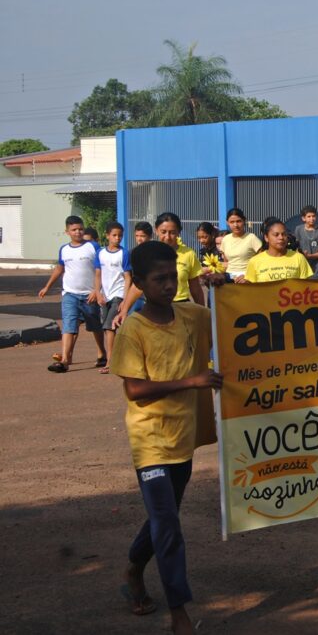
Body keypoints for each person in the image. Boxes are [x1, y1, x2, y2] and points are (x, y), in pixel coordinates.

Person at [109, 240, 222, 635]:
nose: (169, 284)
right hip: (150, 440)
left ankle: (133, 568)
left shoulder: (191, 316)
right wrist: (193, 381)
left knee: (165, 516)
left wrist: (223, 287)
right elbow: (135, 389)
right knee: (168, 525)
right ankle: (179, 613)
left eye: (173, 276)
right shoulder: (133, 330)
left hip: (182, 437)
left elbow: (231, 318)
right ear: (139, 283)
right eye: (159, 279)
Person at [39, 215, 104, 372]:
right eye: (74, 229)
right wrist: (47, 287)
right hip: (70, 294)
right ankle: (65, 360)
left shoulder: (93, 247)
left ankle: (102, 353)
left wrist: (96, 290)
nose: (78, 232)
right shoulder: (64, 249)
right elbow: (60, 269)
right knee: (68, 325)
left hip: (89, 295)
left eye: (80, 229)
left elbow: (101, 269)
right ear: (67, 232)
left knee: (95, 326)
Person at [94, 221, 131, 374]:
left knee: (110, 327)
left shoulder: (124, 253)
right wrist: (97, 293)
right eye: (114, 235)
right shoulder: (100, 253)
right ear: (107, 235)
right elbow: (98, 274)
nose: (117, 238)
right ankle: (117, 357)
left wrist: (125, 298)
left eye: (120, 235)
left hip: (118, 294)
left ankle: (110, 362)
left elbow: (127, 277)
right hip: (105, 296)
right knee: (106, 328)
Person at [240, 217, 314, 283]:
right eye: (276, 235)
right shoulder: (254, 262)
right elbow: (251, 289)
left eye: (284, 234)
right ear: (266, 238)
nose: (281, 237)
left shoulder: (299, 258)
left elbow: (306, 286)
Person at [219, 208, 262, 283]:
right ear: (227, 223)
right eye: (232, 222)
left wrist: (249, 276)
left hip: (246, 279)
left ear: (244, 221)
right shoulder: (225, 239)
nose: (235, 225)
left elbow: (262, 261)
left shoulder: (252, 238)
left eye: (238, 221)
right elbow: (227, 262)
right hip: (229, 278)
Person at [293, 205, 318, 277]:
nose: (311, 219)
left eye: (313, 216)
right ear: (303, 218)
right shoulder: (298, 229)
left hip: (317, 268)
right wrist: (300, 253)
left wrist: (310, 256)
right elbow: (295, 247)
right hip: (302, 265)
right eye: (309, 216)